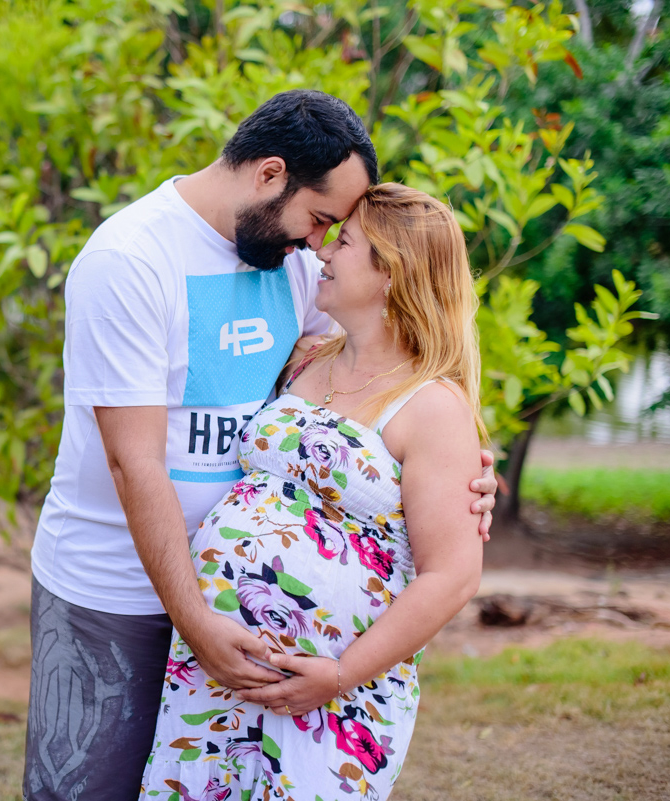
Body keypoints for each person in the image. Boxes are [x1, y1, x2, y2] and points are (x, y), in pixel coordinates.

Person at [23, 90, 497, 801]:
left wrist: (465, 473)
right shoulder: (131, 258)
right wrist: (196, 620)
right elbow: (135, 460)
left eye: (336, 232)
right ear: (270, 174)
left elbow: (374, 373)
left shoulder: (299, 267)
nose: (319, 242)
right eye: (320, 219)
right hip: (113, 591)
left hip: (238, 632)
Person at [139, 183, 486, 800]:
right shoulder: (303, 359)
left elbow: (452, 575)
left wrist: (337, 674)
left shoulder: (432, 406)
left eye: (344, 240)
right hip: (217, 673)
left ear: (390, 271)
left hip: (333, 694)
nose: (322, 250)